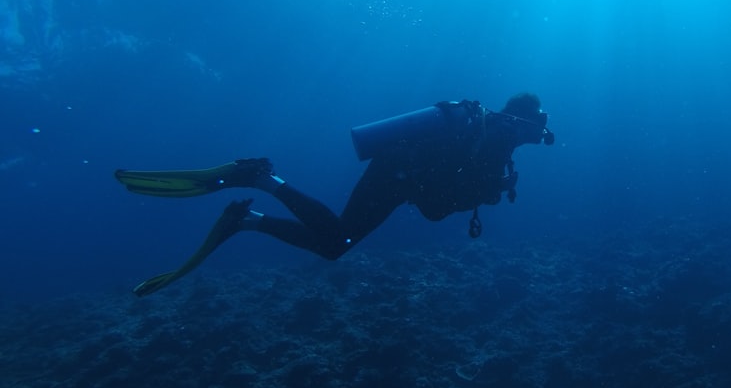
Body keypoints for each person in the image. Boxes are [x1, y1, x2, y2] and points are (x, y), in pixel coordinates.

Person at [115, 93, 554, 296]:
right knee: (338, 240)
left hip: (399, 174)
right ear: (526, 121)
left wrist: (487, 188)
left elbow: (441, 199)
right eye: (539, 126)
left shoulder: (494, 136)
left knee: (334, 245)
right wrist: (492, 189)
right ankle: (262, 180)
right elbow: (442, 205)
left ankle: (246, 220)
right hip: (397, 175)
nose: (540, 135)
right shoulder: (500, 139)